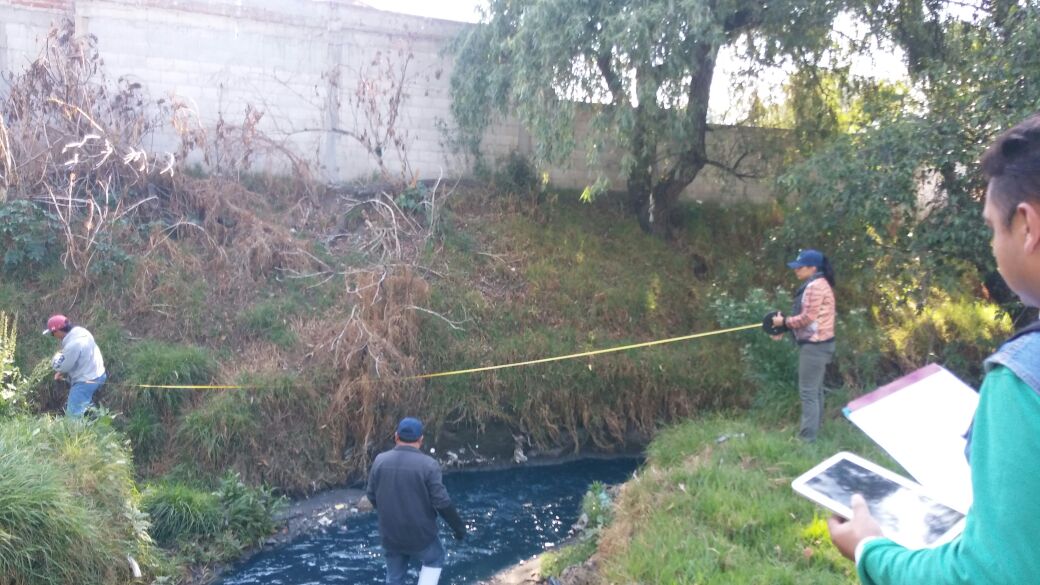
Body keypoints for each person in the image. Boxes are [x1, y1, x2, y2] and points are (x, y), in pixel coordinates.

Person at [828, 114, 1040, 583]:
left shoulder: (1021, 380)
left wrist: (869, 550)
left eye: (991, 228)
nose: (991, 244)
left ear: (1026, 225)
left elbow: (987, 574)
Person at [367, 417, 466, 585]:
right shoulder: (429, 465)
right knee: (435, 557)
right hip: (421, 536)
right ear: (420, 440)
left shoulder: (380, 461)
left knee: (394, 577)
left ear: (396, 436)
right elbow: (442, 503)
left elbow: (371, 496)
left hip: (390, 535)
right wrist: (459, 529)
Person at [771, 249, 837, 442]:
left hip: (815, 346)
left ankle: (807, 439)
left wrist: (783, 323)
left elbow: (808, 319)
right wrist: (785, 328)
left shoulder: (815, 286)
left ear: (813, 268)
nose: (796, 270)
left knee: (808, 393)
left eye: (800, 267)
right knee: (815, 391)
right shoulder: (821, 284)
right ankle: (816, 430)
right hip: (822, 344)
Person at [43, 314, 107, 417]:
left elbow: (62, 366)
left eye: (52, 333)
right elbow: (78, 359)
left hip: (85, 381)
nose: (53, 336)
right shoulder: (81, 332)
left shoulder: (73, 345)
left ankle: (74, 432)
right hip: (99, 375)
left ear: (58, 331)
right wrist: (62, 372)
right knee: (85, 404)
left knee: (73, 415)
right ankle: (98, 422)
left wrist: (56, 359)